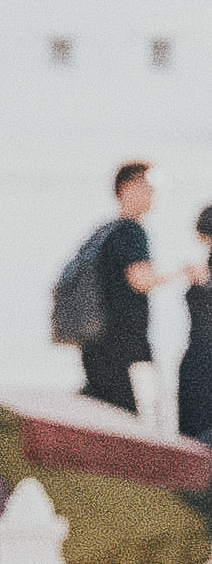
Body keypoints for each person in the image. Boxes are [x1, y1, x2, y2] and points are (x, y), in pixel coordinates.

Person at [80, 163, 169, 418]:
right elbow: (140, 279)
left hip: (96, 343)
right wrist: (182, 273)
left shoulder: (106, 231)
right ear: (127, 188)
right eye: (148, 186)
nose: (153, 193)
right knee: (126, 420)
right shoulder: (131, 231)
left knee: (103, 412)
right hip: (120, 345)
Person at [179, 205, 212, 447]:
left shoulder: (204, 271)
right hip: (199, 359)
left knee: (196, 441)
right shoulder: (204, 267)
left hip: (200, 360)